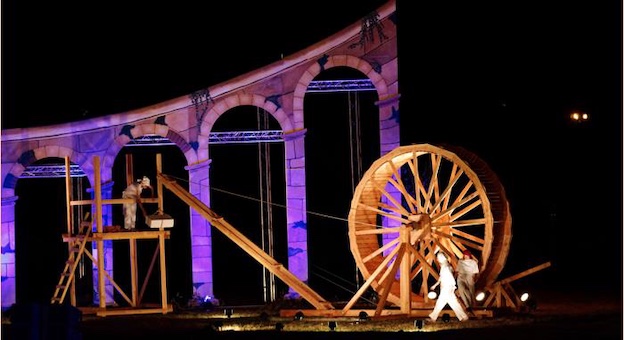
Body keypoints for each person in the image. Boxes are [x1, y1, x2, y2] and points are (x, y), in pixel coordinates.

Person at [429, 252, 469, 322]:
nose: (438, 260)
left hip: (446, 287)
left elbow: (447, 277)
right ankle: (464, 317)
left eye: (438, 258)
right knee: (454, 303)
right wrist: (435, 285)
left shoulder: (445, 267)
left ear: (441, 258)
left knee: (440, 302)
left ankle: (433, 317)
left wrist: (450, 285)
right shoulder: (446, 266)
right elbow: (442, 277)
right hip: (448, 287)